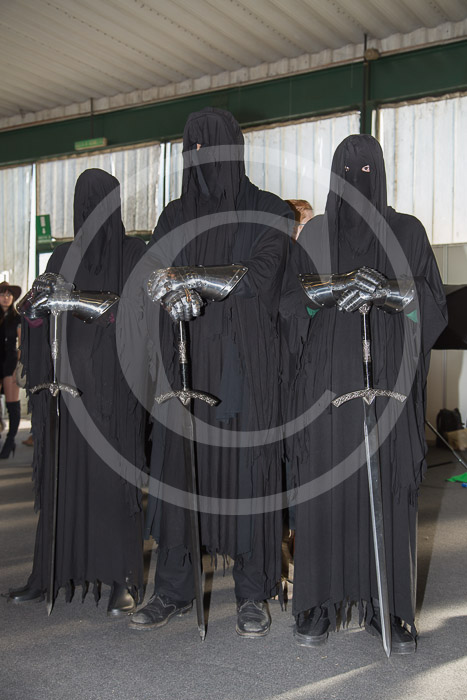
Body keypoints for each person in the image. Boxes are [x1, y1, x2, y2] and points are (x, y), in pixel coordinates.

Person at [130, 107, 293, 637]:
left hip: (244, 369)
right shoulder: (174, 216)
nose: (201, 159)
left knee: (247, 478)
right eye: (192, 149)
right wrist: (165, 290)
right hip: (184, 365)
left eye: (211, 147)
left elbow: (259, 275)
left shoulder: (269, 210)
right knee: (178, 477)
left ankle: (252, 591)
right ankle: (173, 590)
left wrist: (190, 277)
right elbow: (149, 274)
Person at [281, 134, 447, 653]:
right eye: (347, 173)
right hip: (326, 390)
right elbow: (289, 306)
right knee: (324, 494)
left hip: (388, 386)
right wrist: (328, 291)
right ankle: (315, 604)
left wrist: (392, 292)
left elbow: (434, 307)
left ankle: (389, 607)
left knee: (390, 491)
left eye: (367, 172)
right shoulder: (316, 234)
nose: (357, 183)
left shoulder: (407, 231)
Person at [7, 168, 147, 616]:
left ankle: (122, 577)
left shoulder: (133, 253)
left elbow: (139, 315)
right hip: (65, 394)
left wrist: (80, 302)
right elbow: (36, 316)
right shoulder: (62, 255)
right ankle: (50, 572)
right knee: (62, 483)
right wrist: (34, 310)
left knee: (113, 484)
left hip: (114, 396)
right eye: (84, 203)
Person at [0, 281, 22, 459]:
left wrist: (19, 367)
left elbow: (21, 344)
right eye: (2, 294)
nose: (6, 297)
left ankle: (10, 441)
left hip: (10, 362)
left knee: (12, 404)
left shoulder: (17, 318)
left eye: (8, 294)